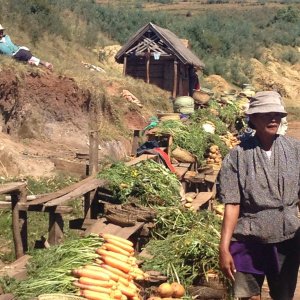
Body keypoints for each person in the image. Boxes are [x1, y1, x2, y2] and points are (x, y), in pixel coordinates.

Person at [218, 91, 300, 300]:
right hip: (248, 239)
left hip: (287, 238)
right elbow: (232, 203)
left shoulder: (295, 150)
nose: (273, 119)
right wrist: (224, 247)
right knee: (246, 296)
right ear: (253, 118)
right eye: (266, 114)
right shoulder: (237, 156)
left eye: (277, 114)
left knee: (283, 295)